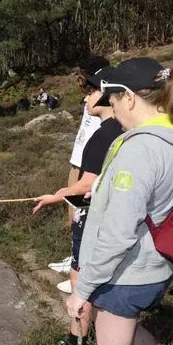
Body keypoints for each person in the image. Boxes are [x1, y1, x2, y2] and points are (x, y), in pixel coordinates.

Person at [65, 58, 173, 345]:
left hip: (127, 272)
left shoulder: (140, 149)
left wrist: (82, 290)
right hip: (155, 265)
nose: (112, 110)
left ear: (129, 97)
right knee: (123, 328)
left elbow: (117, 235)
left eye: (113, 101)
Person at [32, 66, 124, 345]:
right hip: (114, 219)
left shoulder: (104, 134)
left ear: (107, 95)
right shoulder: (126, 130)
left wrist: (54, 198)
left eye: (91, 92)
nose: (86, 99)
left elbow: (87, 185)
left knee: (80, 277)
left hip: (92, 218)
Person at [47, 56, 110, 281]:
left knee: (82, 214)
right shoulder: (91, 96)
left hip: (89, 165)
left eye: (83, 73)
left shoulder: (105, 96)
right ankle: (74, 257)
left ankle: (80, 268)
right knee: (73, 214)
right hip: (78, 160)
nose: (79, 79)